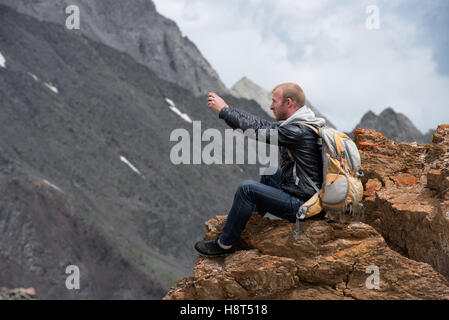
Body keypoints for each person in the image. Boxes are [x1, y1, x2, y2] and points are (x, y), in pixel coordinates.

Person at [194, 83, 325, 256]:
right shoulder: (303, 124)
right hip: (307, 194)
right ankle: (250, 225)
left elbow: (258, 130)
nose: (271, 106)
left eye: (274, 102)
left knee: (246, 189)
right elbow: (262, 124)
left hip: (304, 205)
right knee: (269, 173)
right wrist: (228, 110)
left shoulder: (298, 131)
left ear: (289, 103)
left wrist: (224, 111)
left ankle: (224, 245)